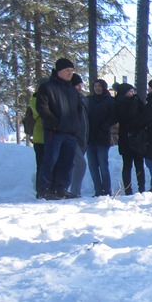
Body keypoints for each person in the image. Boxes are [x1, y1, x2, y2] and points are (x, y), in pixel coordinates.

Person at [35, 58, 84, 199]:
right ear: (58, 71)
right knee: (50, 160)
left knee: (67, 162)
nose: (70, 74)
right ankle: (44, 189)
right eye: (67, 71)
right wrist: (55, 123)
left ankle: (61, 188)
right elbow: (42, 108)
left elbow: (79, 110)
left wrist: (76, 125)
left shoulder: (72, 91)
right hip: (54, 131)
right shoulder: (47, 87)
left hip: (70, 132)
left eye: (71, 71)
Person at [85, 79, 117, 196]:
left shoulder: (109, 100)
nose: (97, 88)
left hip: (102, 137)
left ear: (103, 87)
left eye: (99, 86)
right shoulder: (89, 100)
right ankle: (98, 190)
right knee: (93, 167)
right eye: (95, 86)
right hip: (90, 137)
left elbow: (114, 117)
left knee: (103, 165)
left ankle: (107, 190)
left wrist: (105, 126)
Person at [114, 83, 146, 195]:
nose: (132, 93)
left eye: (133, 91)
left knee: (139, 165)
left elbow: (142, 116)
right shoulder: (119, 103)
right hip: (126, 138)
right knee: (127, 165)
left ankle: (142, 188)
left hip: (138, 137)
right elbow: (123, 117)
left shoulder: (137, 101)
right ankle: (128, 189)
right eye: (130, 91)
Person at [28, 77, 49, 197]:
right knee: (42, 164)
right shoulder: (37, 98)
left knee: (42, 164)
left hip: (41, 136)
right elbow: (41, 113)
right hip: (41, 136)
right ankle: (41, 189)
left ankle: (43, 188)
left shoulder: (36, 97)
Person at [68, 73, 88, 197]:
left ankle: (68, 190)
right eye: (77, 85)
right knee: (80, 164)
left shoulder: (82, 99)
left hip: (83, 137)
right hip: (72, 136)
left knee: (74, 165)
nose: (80, 88)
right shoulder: (69, 98)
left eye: (81, 85)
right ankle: (74, 192)